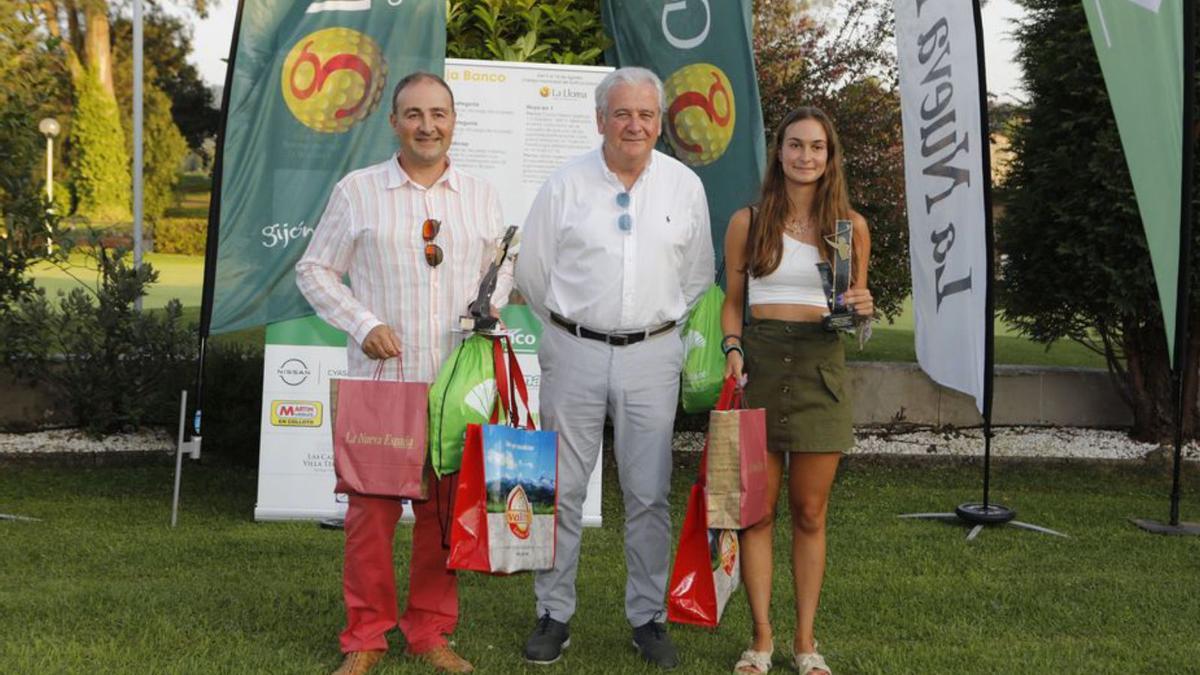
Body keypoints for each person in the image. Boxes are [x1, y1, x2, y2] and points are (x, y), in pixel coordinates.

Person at [295, 71, 511, 675]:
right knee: (371, 518)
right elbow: (314, 270)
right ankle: (364, 636)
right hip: (384, 384)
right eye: (414, 114)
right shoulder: (358, 191)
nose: (427, 125)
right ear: (394, 122)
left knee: (443, 519)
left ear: (453, 121)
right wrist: (363, 323)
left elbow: (501, 267)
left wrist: (490, 304)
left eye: (438, 114)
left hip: (454, 387)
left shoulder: (480, 194)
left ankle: (429, 632)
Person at [514, 66, 714, 669]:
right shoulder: (564, 185)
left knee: (649, 494)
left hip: (653, 355)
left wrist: (656, 329)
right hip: (573, 349)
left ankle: (648, 618)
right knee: (563, 489)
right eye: (622, 113)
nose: (635, 125)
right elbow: (532, 274)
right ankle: (554, 613)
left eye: (646, 115)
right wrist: (572, 330)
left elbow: (697, 272)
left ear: (660, 122)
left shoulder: (684, 187)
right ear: (600, 119)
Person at [720, 107, 873, 675]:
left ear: (830, 157)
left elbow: (853, 312)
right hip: (758, 367)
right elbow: (732, 304)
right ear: (778, 152)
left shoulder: (849, 227)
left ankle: (806, 644)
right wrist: (732, 350)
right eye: (795, 145)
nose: (806, 156)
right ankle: (760, 640)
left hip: (819, 371)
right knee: (756, 514)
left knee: (810, 512)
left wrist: (865, 308)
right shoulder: (749, 221)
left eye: (817, 147)